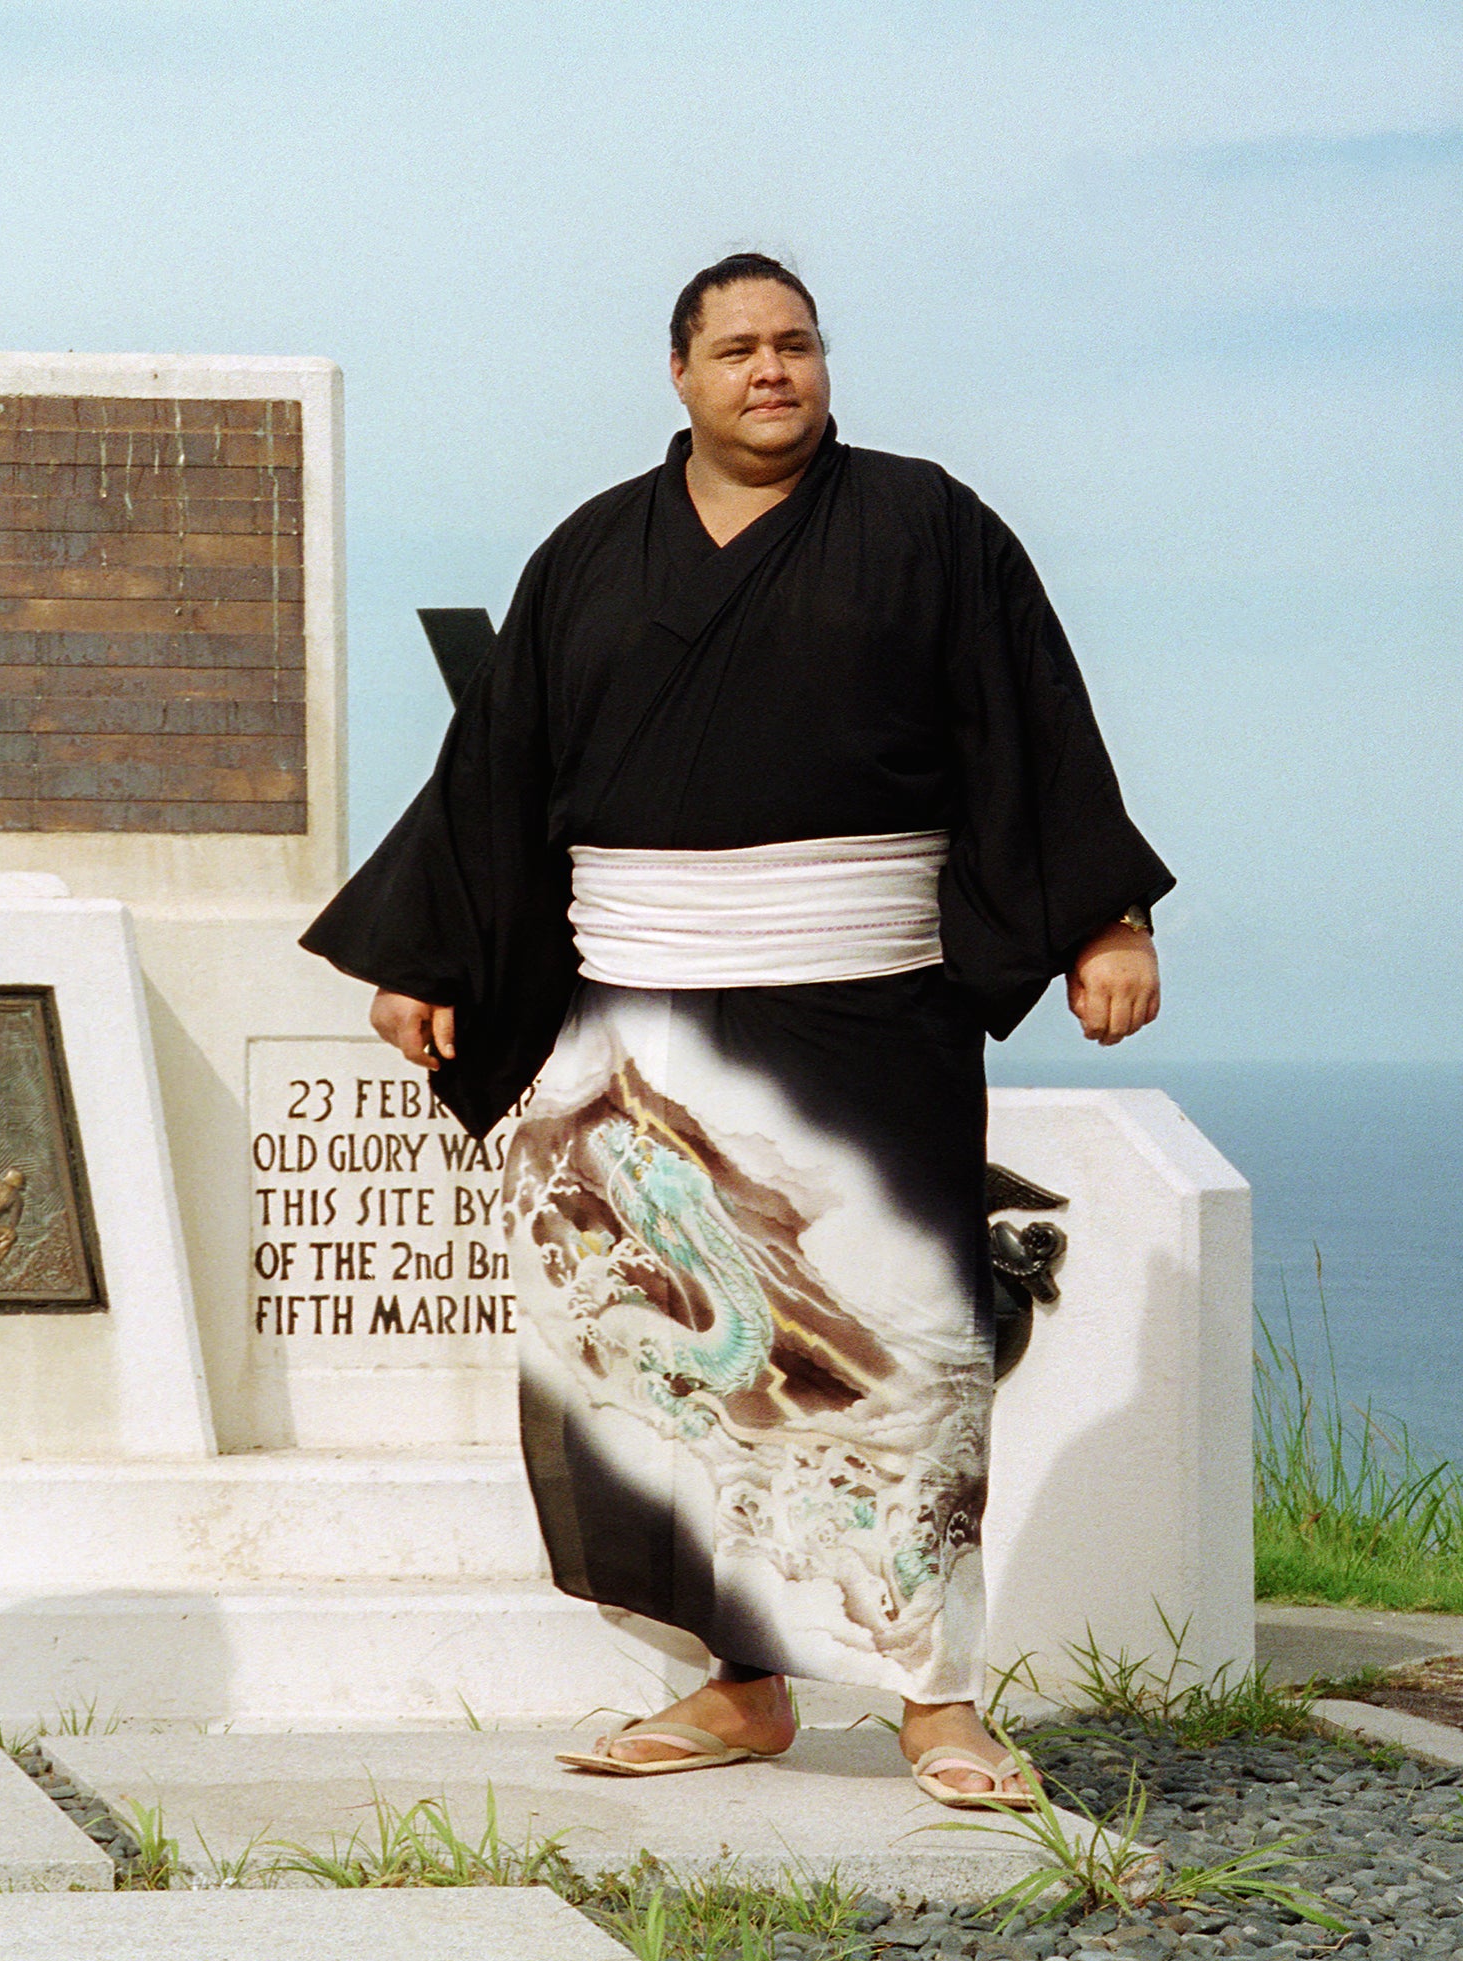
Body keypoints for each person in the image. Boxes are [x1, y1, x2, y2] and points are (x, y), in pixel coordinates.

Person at [302, 255, 1168, 1808]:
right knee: (649, 1360)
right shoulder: (592, 554)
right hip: (630, 1020)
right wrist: (426, 952)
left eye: (798, 343)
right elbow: (497, 768)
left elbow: (1032, 723)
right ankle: (736, 1684)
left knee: (902, 1360)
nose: (773, 369)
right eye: (740, 349)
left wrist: (1107, 914)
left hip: (866, 1016)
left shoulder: (929, 529)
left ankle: (937, 1699)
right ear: (682, 377)